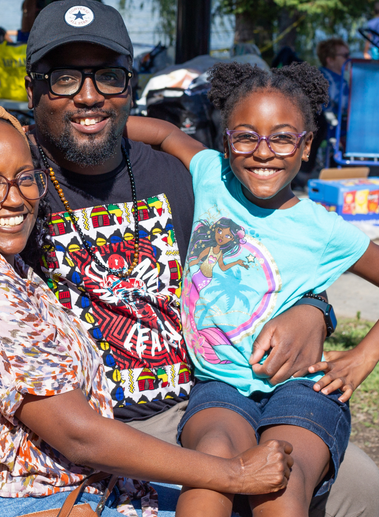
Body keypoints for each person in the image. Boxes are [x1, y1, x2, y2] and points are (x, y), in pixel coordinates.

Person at [0, 0, 379, 517]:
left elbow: (276, 243)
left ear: (130, 88)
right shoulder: (4, 182)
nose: (88, 96)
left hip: (204, 400)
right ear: (32, 91)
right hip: (100, 430)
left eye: (108, 76)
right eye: (64, 79)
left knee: (363, 489)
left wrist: (313, 308)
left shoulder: (182, 173)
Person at [0, 99, 293, 516]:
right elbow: (79, 437)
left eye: (25, 178)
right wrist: (235, 473)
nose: (15, 198)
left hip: (72, 492)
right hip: (23, 503)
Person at [125, 61, 379, 516]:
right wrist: (55, 130)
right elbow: (164, 133)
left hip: (302, 388)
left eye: (282, 138)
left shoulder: (324, 230)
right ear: (226, 143)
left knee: (281, 485)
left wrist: (363, 357)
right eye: (246, 137)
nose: (263, 152)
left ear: (306, 146)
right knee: (211, 464)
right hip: (219, 386)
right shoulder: (211, 174)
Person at [316, 38, 350, 117]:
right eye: (345, 56)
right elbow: (348, 105)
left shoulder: (320, 75)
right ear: (330, 60)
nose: (349, 58)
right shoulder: (332, 80)